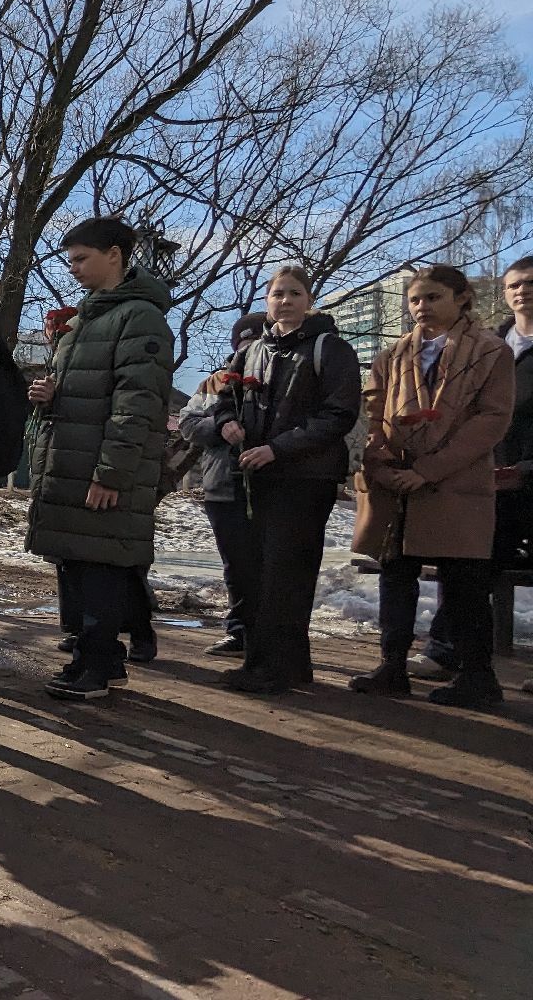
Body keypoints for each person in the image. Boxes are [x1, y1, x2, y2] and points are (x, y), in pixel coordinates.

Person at [349, 264, 513, 708]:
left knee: (464, 582)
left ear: (462, 299)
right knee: (396, 575)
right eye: (415, 299)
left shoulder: (490, 351)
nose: (422, 306)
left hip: (456, 482)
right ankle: (392, 666)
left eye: (433, 297)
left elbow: (492, 420)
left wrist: (431, 468)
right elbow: (374, 413)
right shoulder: (393, 355)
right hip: (398, 485)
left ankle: (478, 677)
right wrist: (381, 463)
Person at [25, 217, 173, 701]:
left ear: (116, 254)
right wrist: (50, 394)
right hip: (70, 463)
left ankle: (96, 662)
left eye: (82, 258)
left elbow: (137, 402)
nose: (74, 269)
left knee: (101, 569)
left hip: (101, 470)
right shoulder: (83, 320)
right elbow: (88, 390)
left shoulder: (140, 318)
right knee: (79, 565)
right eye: (69, 260)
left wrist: (111, 472)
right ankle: (98, 661)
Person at [207, 267, 361, 693]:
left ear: (309, 299)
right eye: (277, 294)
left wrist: (280, 448)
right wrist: (228, 426)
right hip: (257, 477)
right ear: (267, 300)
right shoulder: (251, 351)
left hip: (304, 477)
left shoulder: (331, 349)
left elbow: (338, 415)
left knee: (286, 574)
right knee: (259, 573)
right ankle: (282, 665)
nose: (285, 301)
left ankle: (271, 668)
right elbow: (224, 401)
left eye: (295, 293)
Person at [409, 255, 533, 685]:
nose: (522, 291)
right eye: (514, 284)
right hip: (484, 475)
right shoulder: (491, 342)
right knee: (467, 567)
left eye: (530, 283)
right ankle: (446, 651)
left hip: (529, 474)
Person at [177, 312, 270, 660]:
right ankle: (239, 630)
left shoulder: (276, 377)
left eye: (255, 341)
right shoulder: (214, 382)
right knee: (236, 563)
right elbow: (188, 423)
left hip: (267, 484)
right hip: (222, 485)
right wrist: (220, 428)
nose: (247, 350)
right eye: (242, 343)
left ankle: (270, 632)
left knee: (267, 562)